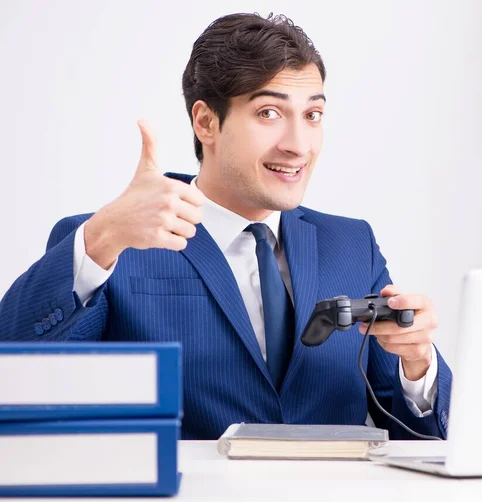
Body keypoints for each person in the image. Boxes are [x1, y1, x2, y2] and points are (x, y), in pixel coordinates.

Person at [0, 12, 452, 440]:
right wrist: (100, 238)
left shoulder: (352, 245)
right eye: (269, 114)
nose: (298, 146)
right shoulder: (114, 240)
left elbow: (417, 437)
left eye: (312, 115)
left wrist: (417, 365)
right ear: (206, 122)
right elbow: (16, 382)